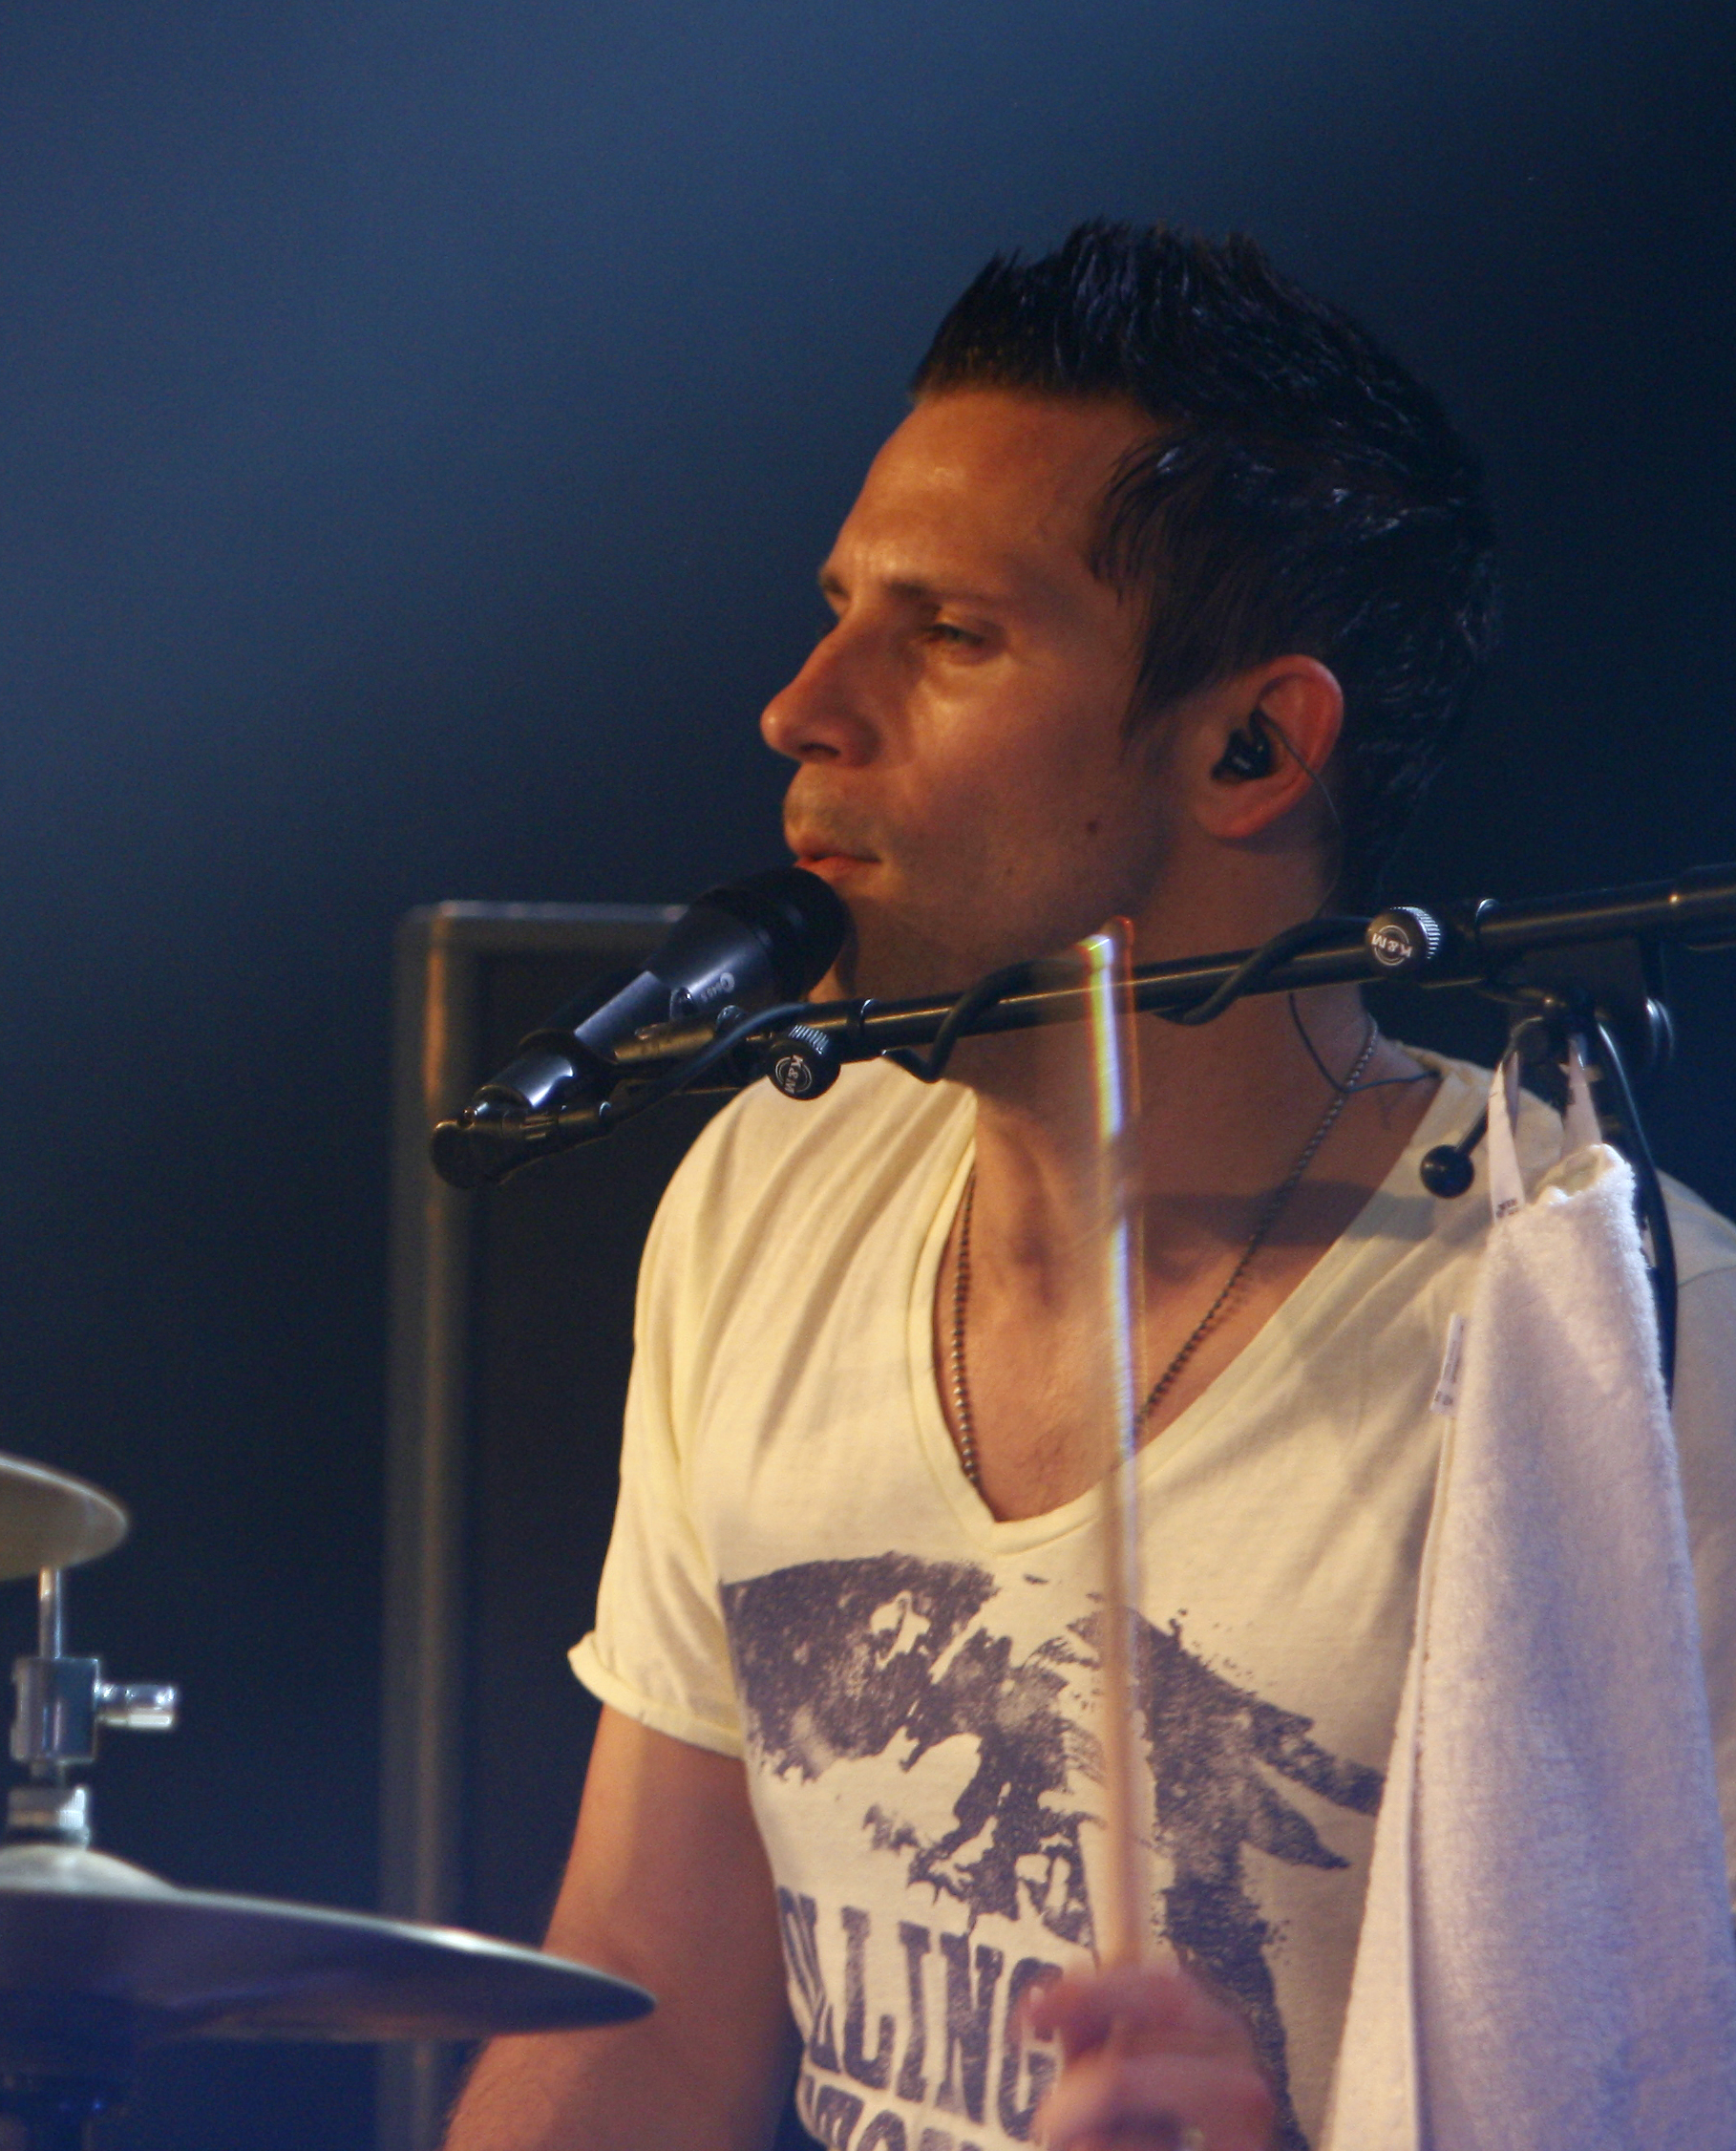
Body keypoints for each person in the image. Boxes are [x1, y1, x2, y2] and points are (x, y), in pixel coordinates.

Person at [436, 223, 1736, 2151]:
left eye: (949, 635)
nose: (803, 706)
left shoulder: (1638, 1359)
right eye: (839, 609)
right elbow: (642, 1997)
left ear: (1251, 746)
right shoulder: (769, 1185)